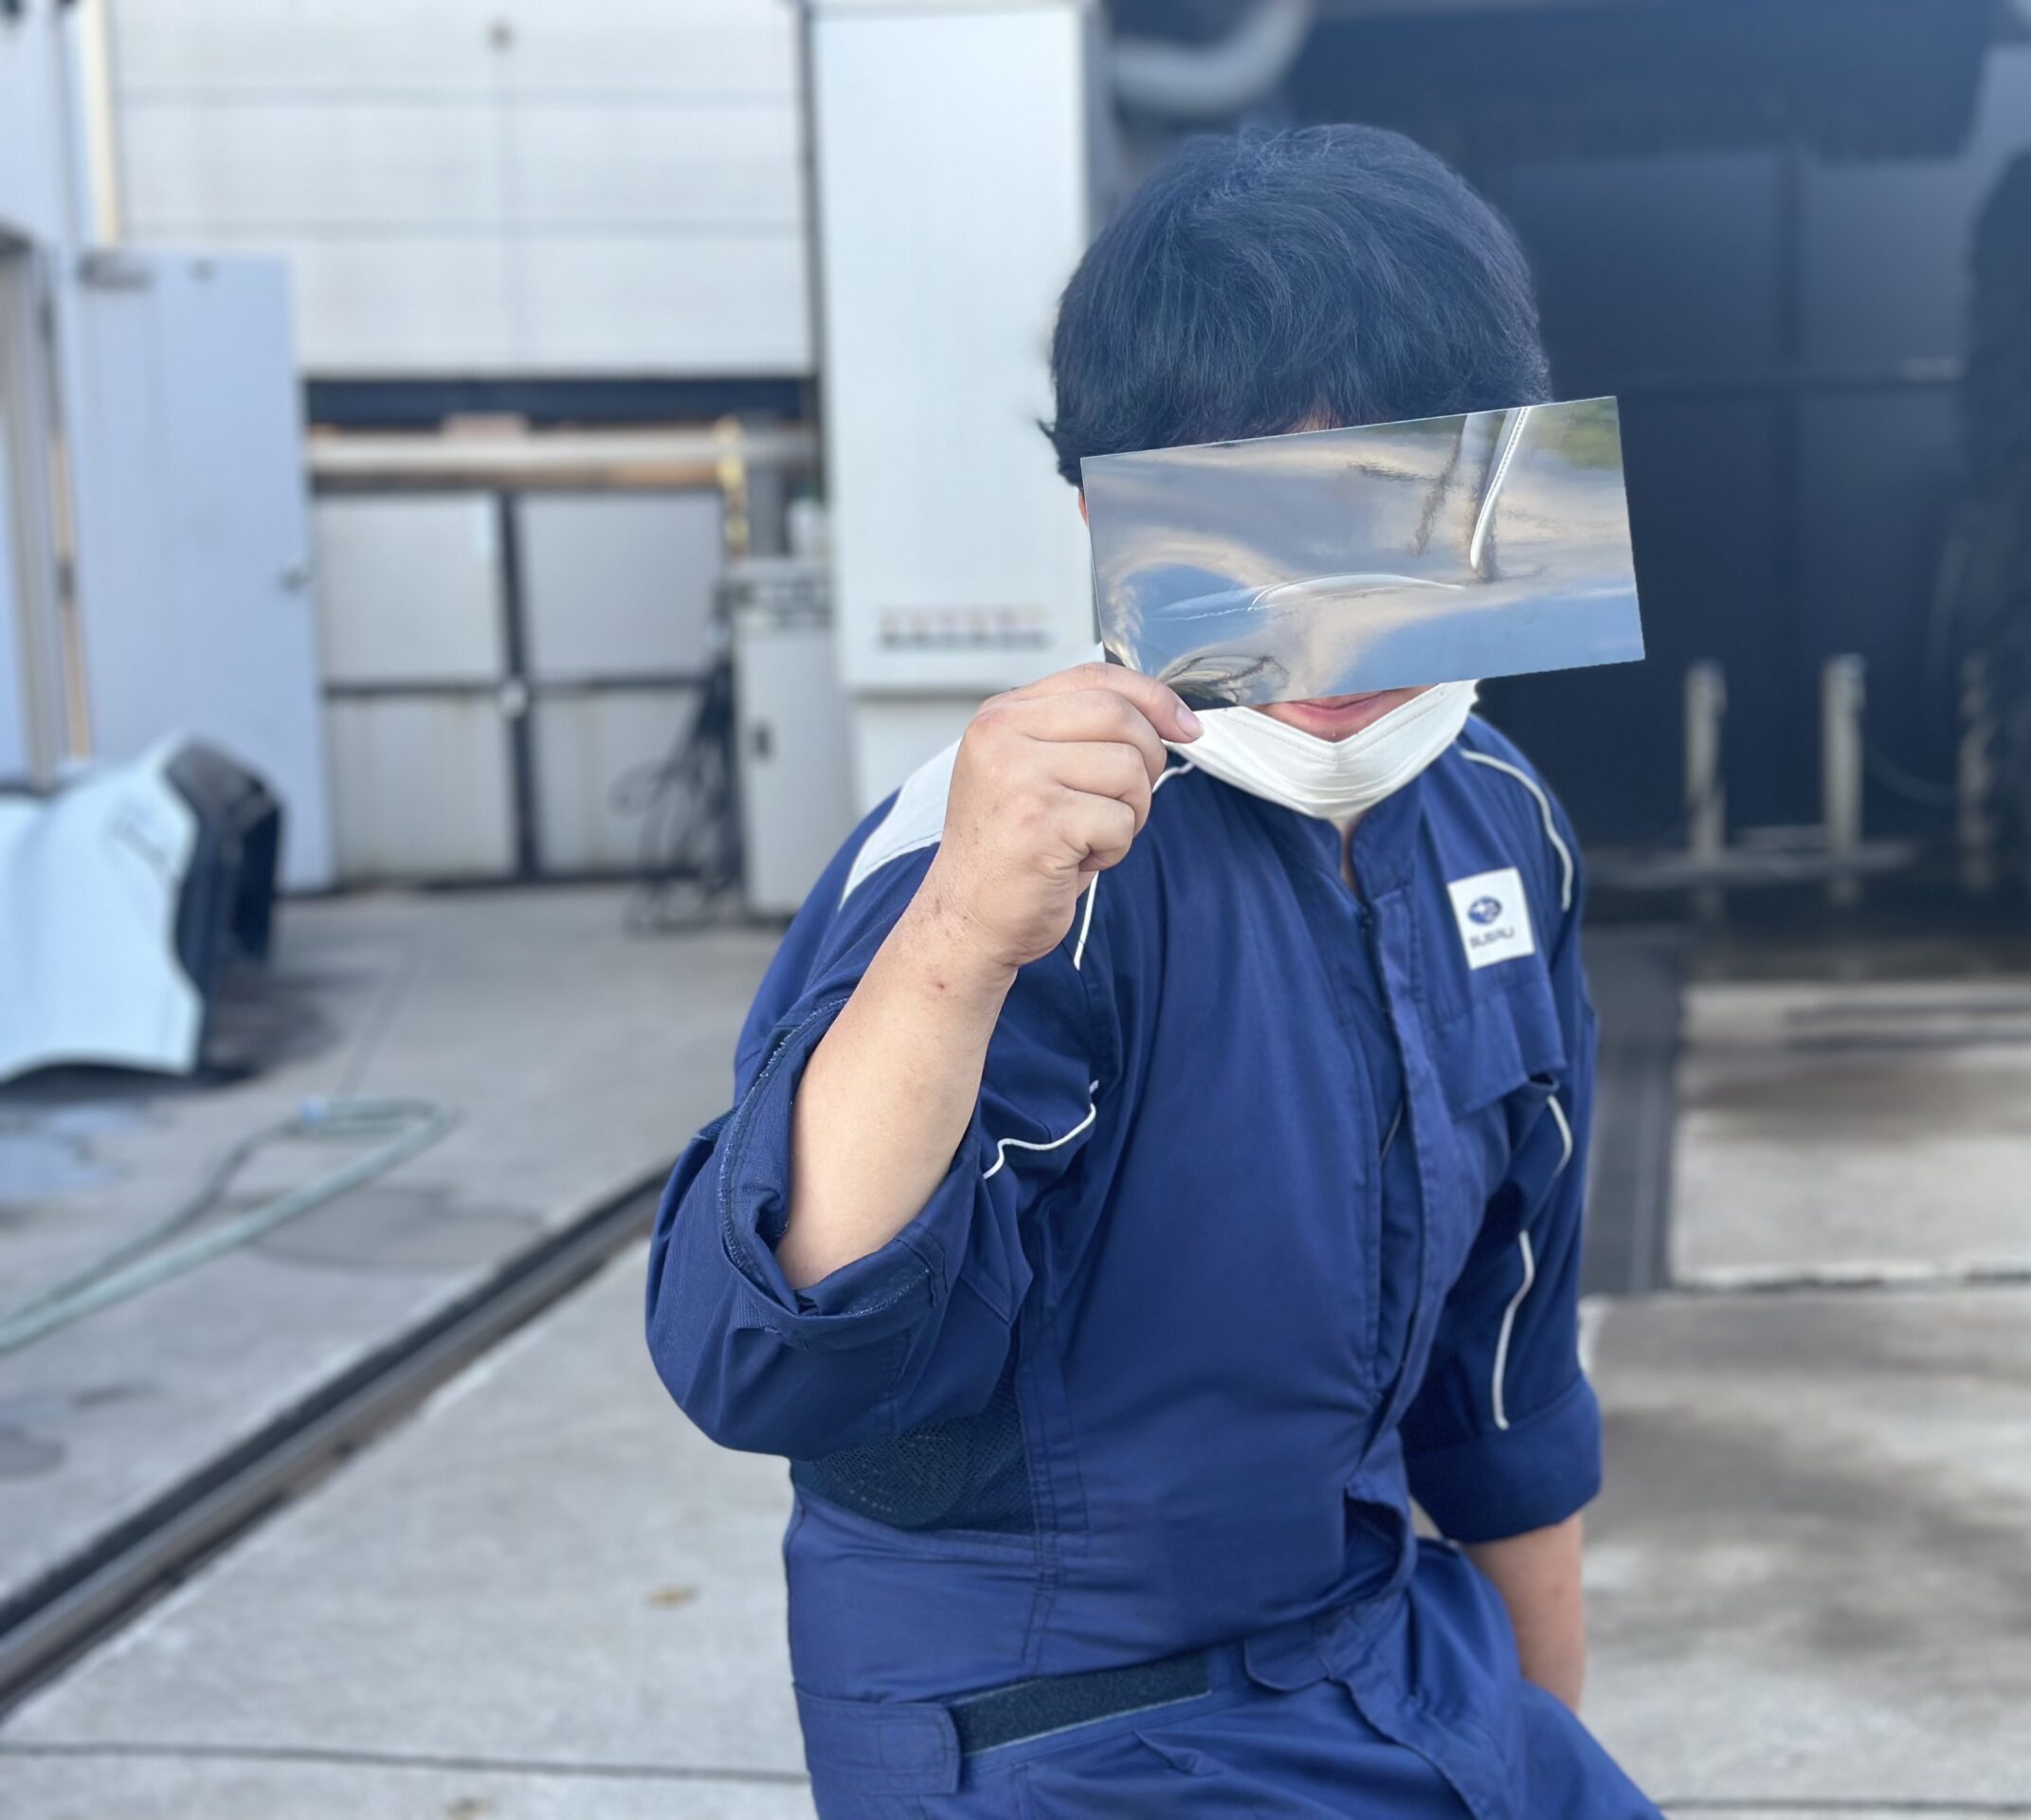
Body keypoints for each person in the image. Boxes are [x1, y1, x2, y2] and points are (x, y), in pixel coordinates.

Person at [645, 124, 1662, 1818]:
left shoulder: (1500, 821)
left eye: (1396, 508)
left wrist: (1542, 1751)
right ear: (1101, 517)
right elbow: (764, 1356)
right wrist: (965, 934)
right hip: (1053, 1723)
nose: (1334, 615)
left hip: (1381, 1653)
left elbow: (1508, 1370)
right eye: (1253, 518)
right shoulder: (1008, 853)